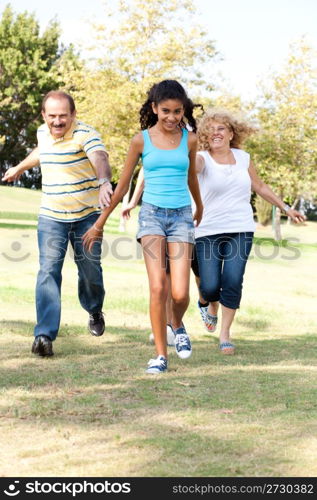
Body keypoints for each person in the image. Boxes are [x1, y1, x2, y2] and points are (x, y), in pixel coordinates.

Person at [83, 79, 203, 374]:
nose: (172, 117)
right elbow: (122, 185)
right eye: (166, 111)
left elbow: (191, 178)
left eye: (178, 111)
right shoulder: (141, 140)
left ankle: (176, 323)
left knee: (179, 293)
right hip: (151, 216)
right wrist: (100, 222)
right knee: (157, 286)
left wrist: (200, 205)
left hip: (181, 216)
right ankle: (160, 356)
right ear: (154, 108)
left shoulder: (190, 139)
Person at [2, 90, 113, 357]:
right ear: (44, 115)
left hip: (86, 216)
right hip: (51, 216)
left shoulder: (86, 134)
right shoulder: (43, 132)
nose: (57, 121)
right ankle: (44, 334)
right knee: (48, 272)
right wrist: (18, 168)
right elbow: (42, 151)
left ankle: (94, 309)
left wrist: (104, 182)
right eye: (52, 116)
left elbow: (100, 157)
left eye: (63, 116)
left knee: (90, 272)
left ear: (73, 115)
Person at [194, 108, 306, 354]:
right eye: (210, 130)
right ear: (204, 135)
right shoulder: (202, 158)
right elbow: (192, 167)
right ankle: (208, 303)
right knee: (210, 285)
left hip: (241, 228)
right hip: (207, 229)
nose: (216, 133)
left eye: (221, 128)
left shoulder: (243, 157)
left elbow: (260, 186)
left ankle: (225, 334)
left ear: (231, 133)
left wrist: (286, 208)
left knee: (233, 280)